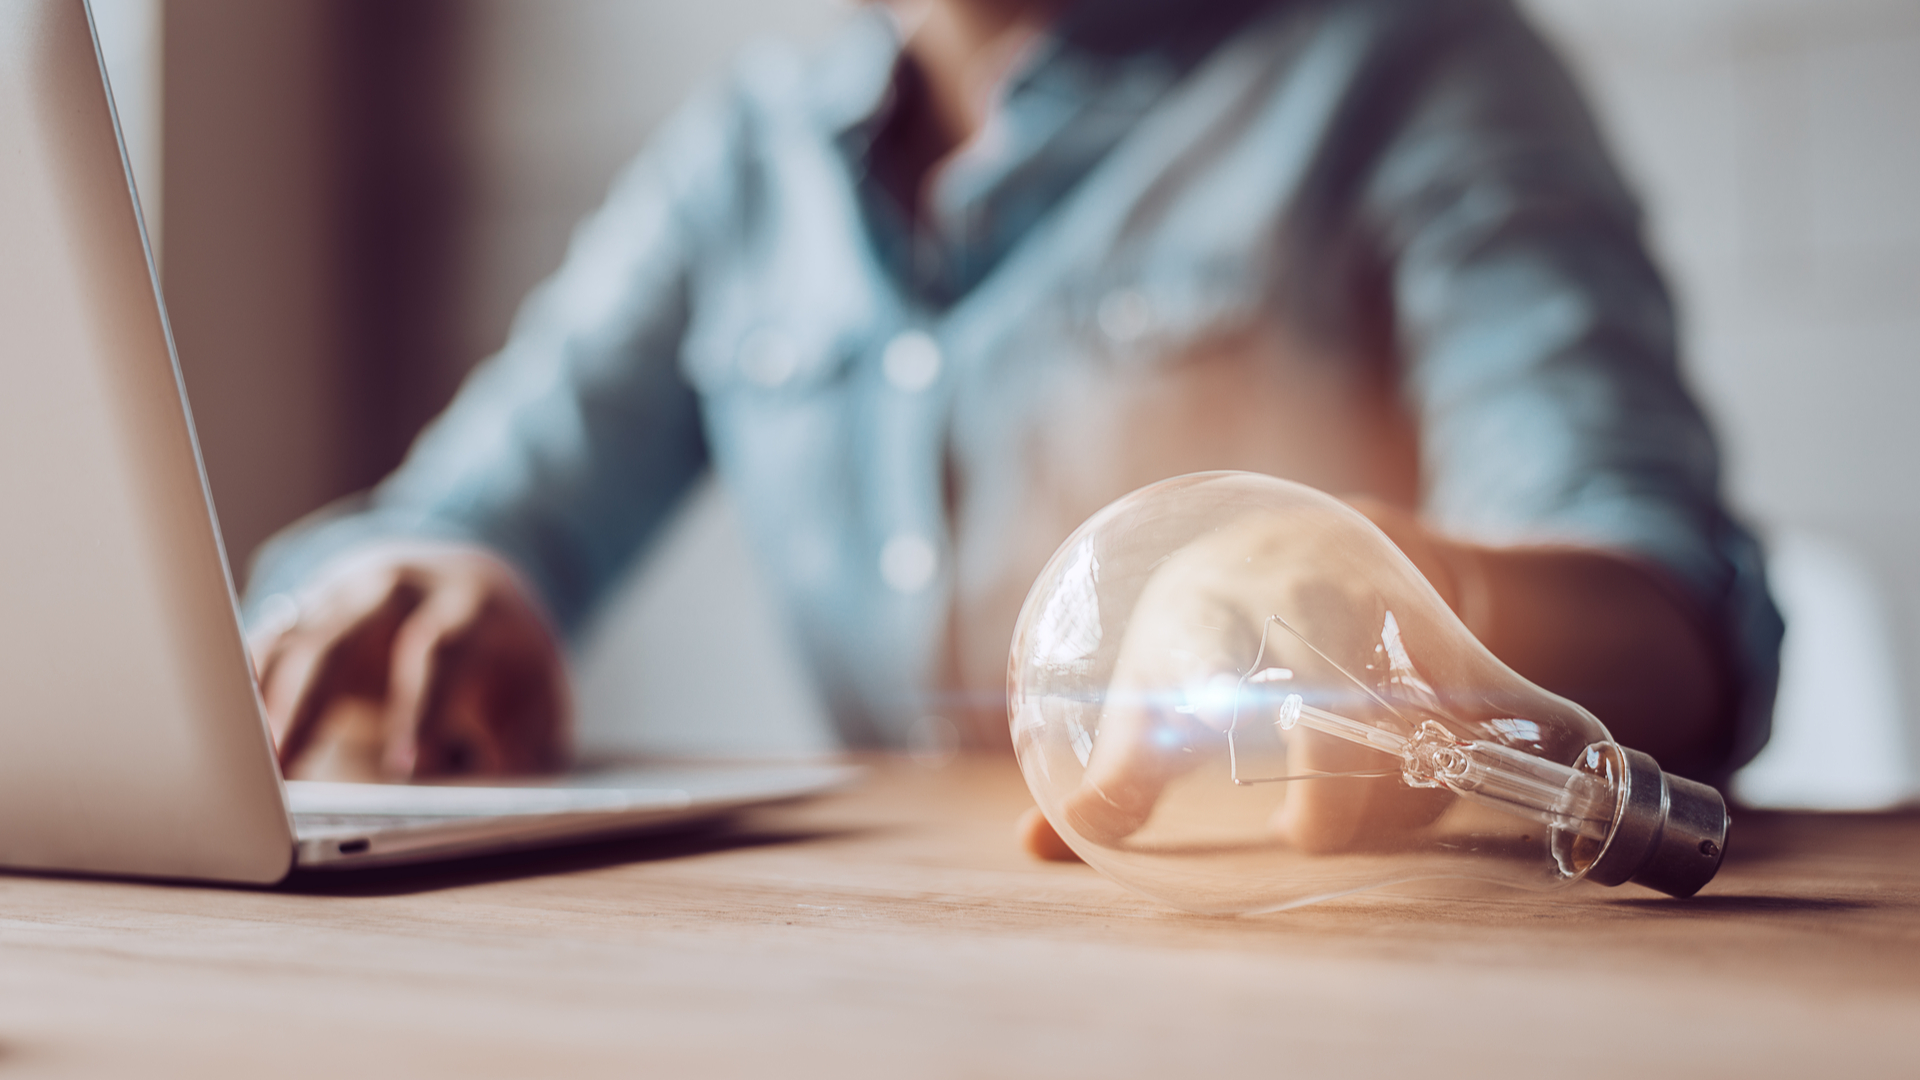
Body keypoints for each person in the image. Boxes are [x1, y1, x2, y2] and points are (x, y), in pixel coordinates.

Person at [244, 0, 1782, 859]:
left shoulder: (1414, 72)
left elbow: (1673, 611)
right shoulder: (747, 163)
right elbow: (438, 523)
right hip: (903, 996)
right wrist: (438, 586)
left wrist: (1430, 604)